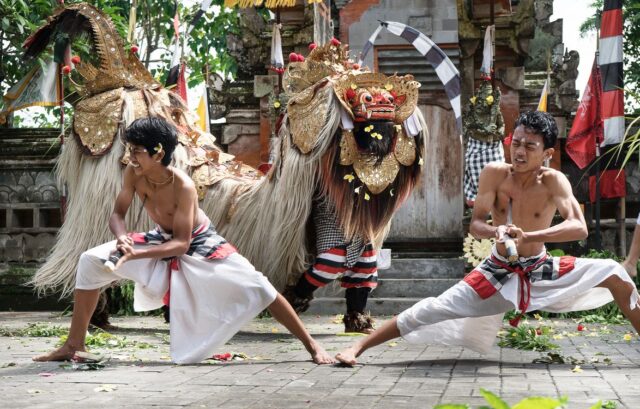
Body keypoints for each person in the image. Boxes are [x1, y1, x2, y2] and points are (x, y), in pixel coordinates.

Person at [336, 111, 640, 366]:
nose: (519, 152)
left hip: (540, 267)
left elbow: (579, 227)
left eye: (530, 147)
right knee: (430, 308)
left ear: (547, 153)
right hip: (497, 268)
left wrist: (530, 235)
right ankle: (357, 349)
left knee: (615, 274)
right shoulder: (494, 173)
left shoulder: (554, 180)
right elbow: (476, 224)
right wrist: (495, 231)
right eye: (516, 143)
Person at [34, 117, 334, 365]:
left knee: (260, 287)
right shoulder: (133, 172)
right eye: (130, 150)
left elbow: (180, 244)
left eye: (137, 151)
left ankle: (312, 347)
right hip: (157, 240)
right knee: (90, 261)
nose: (130, 157)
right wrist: (123, 238)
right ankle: (74, 345)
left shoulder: (184, 187)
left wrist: (132, 255)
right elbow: (117, 214)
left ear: (158, 153)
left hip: (201, 246)